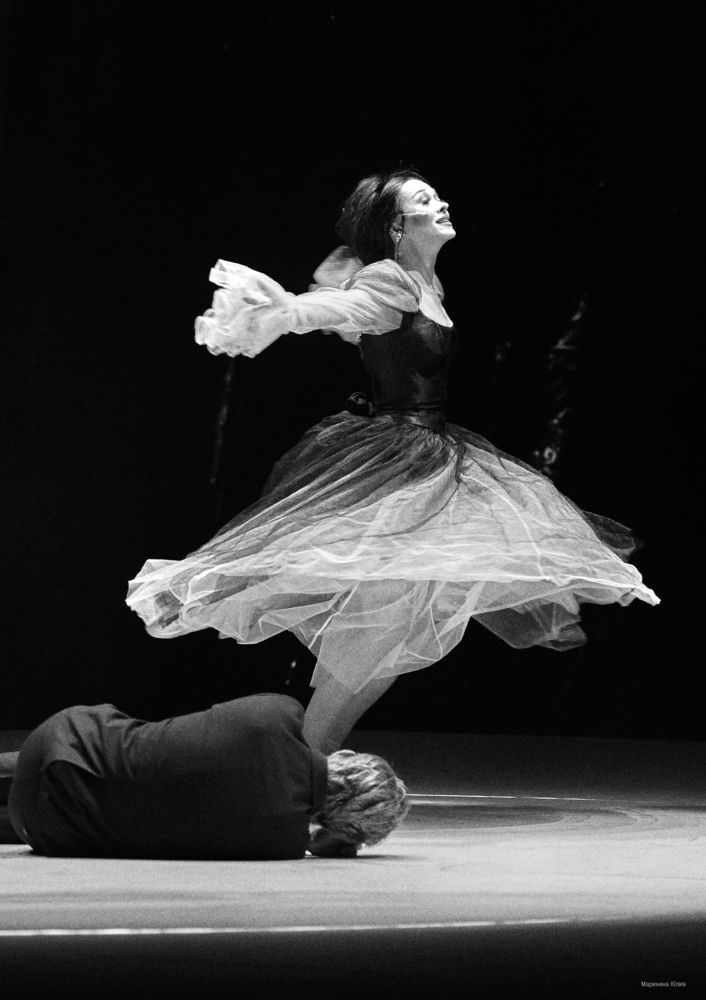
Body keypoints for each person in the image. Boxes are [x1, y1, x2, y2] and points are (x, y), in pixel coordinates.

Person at [126, 167, 660, 754]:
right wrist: (290, 312)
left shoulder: (428, 282)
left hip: (431, 453)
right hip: (398, 462)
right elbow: (346, 307)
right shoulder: (389, 280)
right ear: (396, 227)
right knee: (382, 633)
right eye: (425, 200)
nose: (442, 203)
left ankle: (304, 762)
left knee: (387, 637)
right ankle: (303, 765)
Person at [3, 693, 408, 859]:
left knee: (121, 759)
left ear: (347, 758)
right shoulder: (281, 844)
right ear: (346, 831)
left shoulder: (279, 714)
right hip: (45, 826)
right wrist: (326, 840)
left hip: (65, 740)